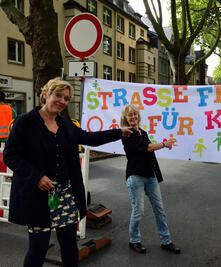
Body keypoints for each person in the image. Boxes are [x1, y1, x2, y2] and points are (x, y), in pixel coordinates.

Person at [3, 77, 132, 267]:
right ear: (45, 94)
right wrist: (36, 177)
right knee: (38, 248)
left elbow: (90, 138)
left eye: (66, 98)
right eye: (58, 95)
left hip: (65, 195)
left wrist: (119, 132)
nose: (62, 101)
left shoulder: (65, 124)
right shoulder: (25, 122)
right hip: (37, 197)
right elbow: (10, 156)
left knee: (70, 245)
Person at [120, 104, 181, 254]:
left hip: (150, 176)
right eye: (130, 115)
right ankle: (134, 241)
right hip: (135, 177)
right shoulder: (127, 134)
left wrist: (155, 173)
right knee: (138, 211)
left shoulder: (143, 132)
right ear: (126, 119)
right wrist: (164, 144)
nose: (133, 117)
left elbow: (148, 153)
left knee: (159, 210)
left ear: (138, 116)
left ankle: (166, 241)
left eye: (135, 114)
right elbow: (146, 148)